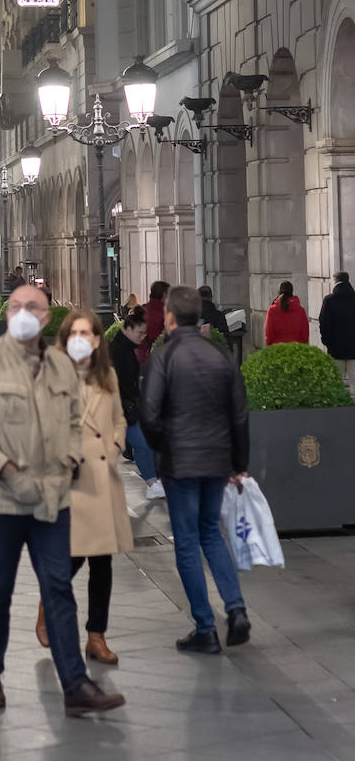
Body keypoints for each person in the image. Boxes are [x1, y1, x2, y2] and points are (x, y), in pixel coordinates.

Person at [0, 283, 126, 716]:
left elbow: (69, 423)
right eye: (18, 306)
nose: (26, 313)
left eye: (35, 307)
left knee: (58, 588)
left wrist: (68, 458)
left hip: (52, 496)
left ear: (47, 318)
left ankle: (75, 686)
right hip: (1, 500)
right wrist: (6, 468)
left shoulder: (60, 368)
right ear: (8, 314)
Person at [139, 285, 251, 653]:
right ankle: (236, 610)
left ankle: (205, 627)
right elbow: (239, 415)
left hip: (180, 464)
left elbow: (150, 416)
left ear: (170, 317)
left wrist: (163, 450)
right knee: (211, 535)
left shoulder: (164, 357)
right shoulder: (220, 355)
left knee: (187, 543)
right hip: (217, 460)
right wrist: (239, 463)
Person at [36, 310, 133, 664]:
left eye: (87, 334)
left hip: (104, 478)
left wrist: (117, 444)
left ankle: (96, 636)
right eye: (73, 333)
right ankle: (49, 602)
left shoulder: (107, 375)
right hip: (72, 480)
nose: (81, 339)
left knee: (102, 563)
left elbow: (119, 417)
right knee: (72, 558)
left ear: (96, 340)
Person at [109, 310, 165, 500]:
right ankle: (153, 482)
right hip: (121, 409)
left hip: (125, 408)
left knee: (142, 444)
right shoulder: (118, 352)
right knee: (141, 443)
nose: (142, 338)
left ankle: (153, 482)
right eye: (140, 333)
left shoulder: (123, 349)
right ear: (128, 329)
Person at [318, 271, 355, 393]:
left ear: (335, 281)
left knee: (335, 381)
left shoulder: (329, 300)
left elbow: (324, 322)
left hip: (335, 347)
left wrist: (327, 341)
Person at [264, 280, 310, 345]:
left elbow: (269, 333)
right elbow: (305, 333)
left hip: (278, 349)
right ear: (292, 292)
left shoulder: (272, 310)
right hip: (297, 348)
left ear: (279, 292)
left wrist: (269, 348)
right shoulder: (300, 310)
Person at [137, 280, 169, 363]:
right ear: (165, 295)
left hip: (139, 352)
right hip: (151, 355)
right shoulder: (164, 312)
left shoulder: (145, 308)